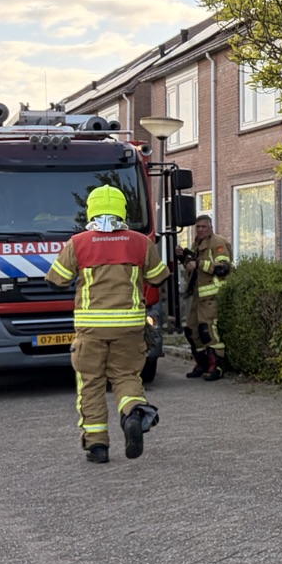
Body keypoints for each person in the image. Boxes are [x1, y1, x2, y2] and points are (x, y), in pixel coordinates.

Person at [45, 185, 167, 463]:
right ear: (122, 210)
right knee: (126, 377)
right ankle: (133, 413)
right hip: (130, 327)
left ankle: (97, 446)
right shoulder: (139, 242)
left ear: (91, 210)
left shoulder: (78, 243)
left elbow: (55, 280)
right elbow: (159, 277)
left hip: (91, 329)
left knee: (91, 384)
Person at [179, 214, 233, 380]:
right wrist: (183, 257)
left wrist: (200, 264)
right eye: (198, 227)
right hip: (198, 296)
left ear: (210, 228)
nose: (200, 229)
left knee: (207, 330)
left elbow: (224, 268)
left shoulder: (218, 243)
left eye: (203, 227)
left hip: (212, 296)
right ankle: (201, 364)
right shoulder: (197, 244)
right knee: (191, 330)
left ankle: (217, 366)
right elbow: (192, 267)